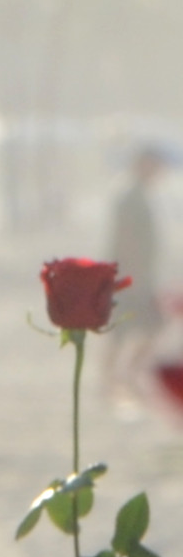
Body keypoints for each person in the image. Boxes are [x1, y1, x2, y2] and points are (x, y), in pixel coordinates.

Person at [105, 142, 168, 406]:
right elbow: (125, 241)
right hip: (130, 279)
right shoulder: (131, 198)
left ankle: (124, 379)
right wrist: (128, 278)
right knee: (124, 331)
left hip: (138, 277)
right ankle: (116, 383)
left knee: (145, 329)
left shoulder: (139, 196)